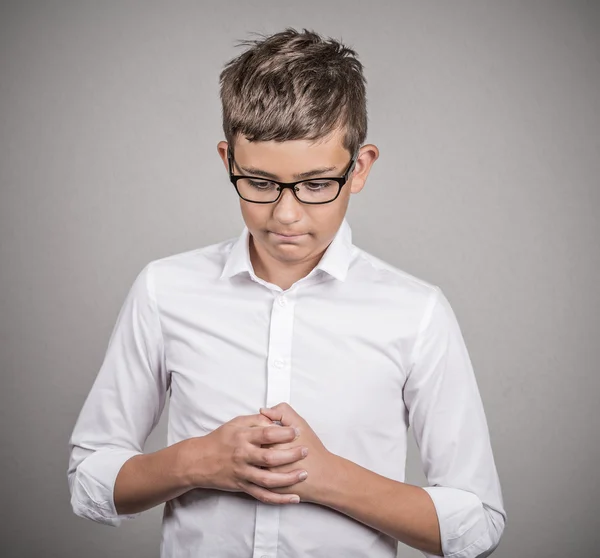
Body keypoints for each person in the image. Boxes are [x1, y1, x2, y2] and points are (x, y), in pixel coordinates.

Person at [67, 28, 506, 558]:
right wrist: (198, 461)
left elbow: (477, 524)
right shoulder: (164, 289)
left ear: (360, 167)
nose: (287, 215)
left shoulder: (417, 313)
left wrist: (325, 477)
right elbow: (89, 481)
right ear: (228, 160)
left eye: (317, 184)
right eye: (259, 182)